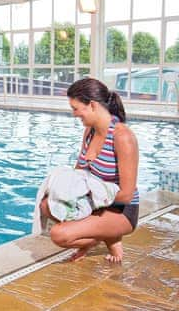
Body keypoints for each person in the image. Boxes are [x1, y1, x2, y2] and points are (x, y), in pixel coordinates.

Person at [40, 78, 139, 263]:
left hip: (121, 211)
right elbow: (78, 173)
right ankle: (105, 234)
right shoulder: (90, 131)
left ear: (92, 105)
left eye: (76, 108)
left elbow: (126, 195)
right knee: (47, 205)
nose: (74, 114)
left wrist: (88, 197)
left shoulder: (122, 137)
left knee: (59, 235)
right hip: (95, 204)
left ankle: (108, 236)